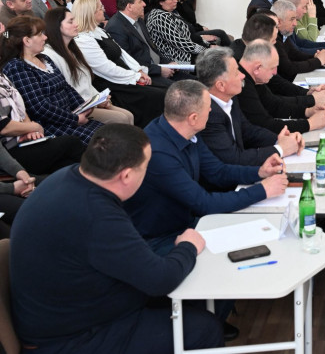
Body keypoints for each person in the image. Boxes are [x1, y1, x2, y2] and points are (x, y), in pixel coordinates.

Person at [11, 124, 224, 353]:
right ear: (127, 175)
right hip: (70, 338)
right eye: (146, 166)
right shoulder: (96, 215)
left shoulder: (68, 177)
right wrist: (188, 246)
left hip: (69, 308)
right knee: (205, 329)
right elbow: (160, 280)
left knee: (192, 293)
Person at [124, 80, 288, 255]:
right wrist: (262, 190)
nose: (211, 110)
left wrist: (259, 172)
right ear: (193, 118)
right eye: (208, 107)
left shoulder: (184, 129)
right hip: (161, 239)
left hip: (187, 223)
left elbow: (217, 171)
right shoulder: (158, 153)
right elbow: (204, 203)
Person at [0, 16, 103, 145]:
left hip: (70, 116)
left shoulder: (44, 58)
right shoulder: (16, 67)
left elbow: (66, 87)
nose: (45, 37)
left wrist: (82, 107)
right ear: (27, 40)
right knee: (102, 142)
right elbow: (39, 107)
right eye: (40, 34)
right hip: (52, 125)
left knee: (109, 134)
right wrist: (74, 119)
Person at [195, 47, 303, 165]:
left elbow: (248, 131)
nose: (242, 75)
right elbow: (234, 159)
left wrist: (280, 139)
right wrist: (280, 149)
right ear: (221, 85)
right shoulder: (208, 114)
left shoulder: (231, 98)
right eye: (236, 73)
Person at [72, 0, 165, 127]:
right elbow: (105, 68)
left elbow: (122, 53)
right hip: (112, 84)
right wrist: (135, 76)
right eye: (100, 8)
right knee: (158, 96)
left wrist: (138, 70)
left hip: (124, 76)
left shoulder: (98, 30)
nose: (104, 10)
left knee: (165, 89)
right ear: (90, 13)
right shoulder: (83, 39)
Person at [42, 7, 134, 125]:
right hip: (77, 107)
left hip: (90, 101)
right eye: (70, 21)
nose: (76, 24)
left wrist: (99, 98)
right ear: (56, 26)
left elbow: (86, 83)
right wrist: (94, 101)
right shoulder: (50, 54)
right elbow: (67, 88)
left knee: (129, 115)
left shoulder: (72, 49)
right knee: (122, 118)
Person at [0, 70, 84, 176]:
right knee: (72, 142)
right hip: (8, 152)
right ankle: (100, 179)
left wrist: (29, 131)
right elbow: (4, 127)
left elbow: (20, 110)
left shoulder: (2, 76)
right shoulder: (14, 68)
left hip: (23, 141)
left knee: (67, 164)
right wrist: (34, 127)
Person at [239, 40, 325, 134]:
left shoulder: (254, 78)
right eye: (272, 68)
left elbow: (274, 105)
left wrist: (307, 111)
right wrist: (310, 124)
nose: (275, 73)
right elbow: (265, 125)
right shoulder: (242, 86)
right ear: (257, 68)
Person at [106, 0, 180, 87]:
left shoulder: (138, 20)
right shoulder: (116, 28)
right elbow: (128, 62)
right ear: (129, 6)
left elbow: (152, 49)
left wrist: (168, 62)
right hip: (146, 76)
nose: (144, 4)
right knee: (183, 90)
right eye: (140, 1)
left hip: (159, 68)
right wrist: (159, 70)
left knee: (194, 81)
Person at [159, 0, 231, 47]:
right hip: (190, 35)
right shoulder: (174, 5)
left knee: (220, 34)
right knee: (220, 33)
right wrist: (201, 30)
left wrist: (201, 27)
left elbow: (191, 22)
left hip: (194, 30)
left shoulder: (183, 0)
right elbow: (184, 27)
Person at [146, 0, 210, 63]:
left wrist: (206, 45)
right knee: (217, 58)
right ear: (160, 2)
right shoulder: (160, 17)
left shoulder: (168, 12)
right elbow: (180, 43)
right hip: (178, 58)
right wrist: (206, 50)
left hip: (187, 52)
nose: (176, 1)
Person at [271, 0, 325, 81]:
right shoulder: (274, 40)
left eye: (295, 19)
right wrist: (318, 61)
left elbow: (295, 54)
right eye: (292, 19)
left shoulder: (283, 34)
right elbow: (288, 68)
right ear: (279, 22)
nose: (295, 23)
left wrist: (314, 56)